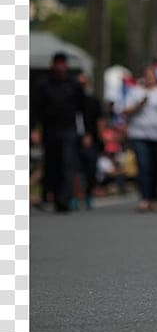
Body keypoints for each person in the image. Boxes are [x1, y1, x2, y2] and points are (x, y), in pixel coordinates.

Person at [31, 52, 87, 213]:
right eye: (58, 64)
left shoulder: (73, 84)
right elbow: (36, 108)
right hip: (50, 129)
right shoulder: (44, 84)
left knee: (67, 163)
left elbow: (82, 109)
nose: (61, 67)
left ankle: (65, 199)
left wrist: (86, 132)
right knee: (52, 164)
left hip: (69, 129)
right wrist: (34, 128)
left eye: (63, 64)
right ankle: (52, 195)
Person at [124, 66, 157, 212]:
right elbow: (125, 110)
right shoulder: (135, 91)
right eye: (147, 75)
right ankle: (145, 198)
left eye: (152, 75)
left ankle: (154, 197)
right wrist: (139, 105)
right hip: (139, 134)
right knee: (144, 166)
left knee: (156, 167)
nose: (149, 78)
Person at [75, 72, 104, 210]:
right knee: (74, 168)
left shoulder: (93, 100)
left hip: (92, 138)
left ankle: (88, 193)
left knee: (91, 168)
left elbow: (100, 120)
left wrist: (99, 136)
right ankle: (75, 195)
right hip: (74, 138)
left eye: (84, 83)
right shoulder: (72, 101)